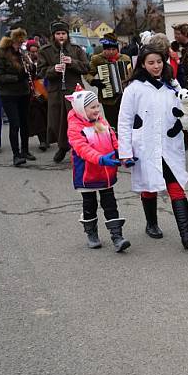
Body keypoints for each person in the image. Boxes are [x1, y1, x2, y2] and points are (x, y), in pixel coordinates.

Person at [118, 45, 188, 250]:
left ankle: (186, 233)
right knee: (149, 184)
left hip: (169, 144)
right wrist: (125, 152)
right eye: (151, 62)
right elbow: (124, 121)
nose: (156, 66)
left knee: (176, 185)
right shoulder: (133, 89)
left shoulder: (172, 86)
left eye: (159, 62)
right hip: (145, 144)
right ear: (143, 64)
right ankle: (152, 224)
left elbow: (186, 107)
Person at [66, 88, 131, 253]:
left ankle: (117, 236)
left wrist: (124, 156)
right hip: (87, 174)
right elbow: (82, 148)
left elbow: (113, 140)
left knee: (110, 203)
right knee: (90, 204)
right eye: (92, 107)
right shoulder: (75, 127)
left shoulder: (100, 122)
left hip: (106, 172)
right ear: (81, 109)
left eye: (97, 106)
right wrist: (100, 159)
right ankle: (91, 233)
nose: (97, 110)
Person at [38, 20, 90, 162]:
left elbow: (86, 68)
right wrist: (53, 69)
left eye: (63, 33)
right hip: (56, 91)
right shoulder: (45, 51)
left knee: (78, 120)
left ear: (67, 34)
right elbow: (40, 72)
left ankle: (80, 149)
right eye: (58, 34)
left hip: (75, 90)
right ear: (53, 35)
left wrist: (72, 62)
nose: (61, 36)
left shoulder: (76, 49)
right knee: (57, 122)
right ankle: (63, 146)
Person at [0, 28, 33, 167]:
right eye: (17, 42)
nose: (19, 45)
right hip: (8, 94)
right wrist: (16, 78)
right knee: (14, 124)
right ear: (10, 41)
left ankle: (25, 150)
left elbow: (28, 70)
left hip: (24, 92)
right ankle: (16, 154)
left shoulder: (21, 53)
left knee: (25, 123)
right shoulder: (0, 54)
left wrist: (31, 69)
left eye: (21, 42)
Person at [85, 33, 132, 130]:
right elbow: (87, 74)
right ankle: (114, 140)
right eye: (107, 49)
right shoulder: (97, 59)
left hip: (123, 96)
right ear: (103, 49)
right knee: (112, 123)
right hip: (107, 97)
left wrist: (127, 80)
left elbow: (131, 74)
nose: (111, 52)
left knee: (124, 122)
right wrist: (94, 81)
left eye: (113, 49)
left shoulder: (125, 58)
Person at [24, 39, 49, 151]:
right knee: (37, 115)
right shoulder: (25, 61)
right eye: (32, 52)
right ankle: (42, 140)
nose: (34, 54)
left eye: (36, 51)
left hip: (44, 89)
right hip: (32, 92)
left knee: (46, 114)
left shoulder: (43, 59)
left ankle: (48, 138)